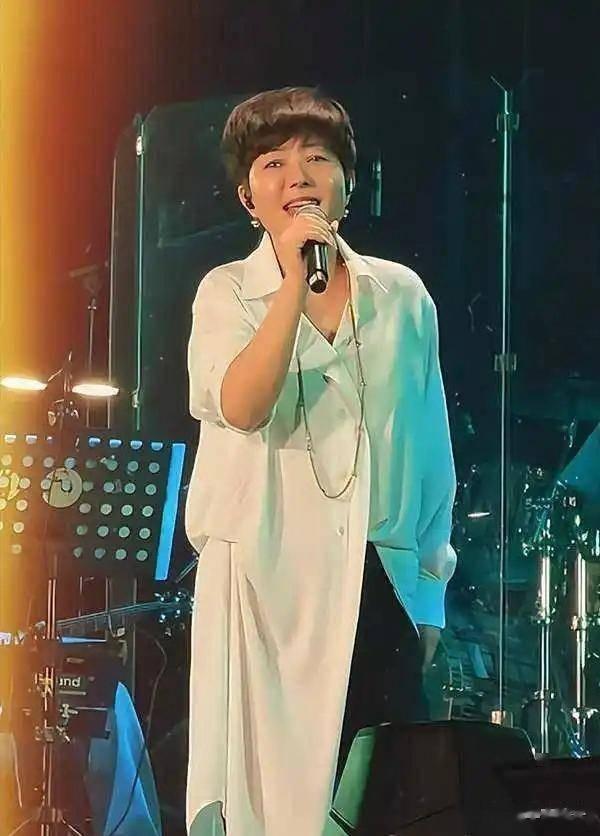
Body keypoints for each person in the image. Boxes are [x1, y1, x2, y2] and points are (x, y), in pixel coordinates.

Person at [185, 86, 457, 836]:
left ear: (347, 182)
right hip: (264, 584)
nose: (298, 175)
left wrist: (428, 597)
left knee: (389, 802)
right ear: (249, 198)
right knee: (269, 806)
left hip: (379, 579)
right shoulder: (227, 292)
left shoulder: (401, 296)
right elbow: (242, 405)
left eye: (317, 157)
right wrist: (289, 286)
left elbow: (430, 453)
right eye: (273, 163)